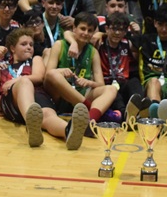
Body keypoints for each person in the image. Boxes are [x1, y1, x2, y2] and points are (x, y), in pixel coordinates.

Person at [43, 12, 118, 149]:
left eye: (90, 30)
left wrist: (89, 82)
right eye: (82, 29)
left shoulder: (93, 52)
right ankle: (89, 109)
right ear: (74, 29)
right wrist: (61, 71)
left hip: (81, 93)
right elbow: (48, 74)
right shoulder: (60, 45)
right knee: (54, 74)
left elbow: (100, 83)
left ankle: (89, 121)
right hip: (59, 96)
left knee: (111, 88)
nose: (86, 33)